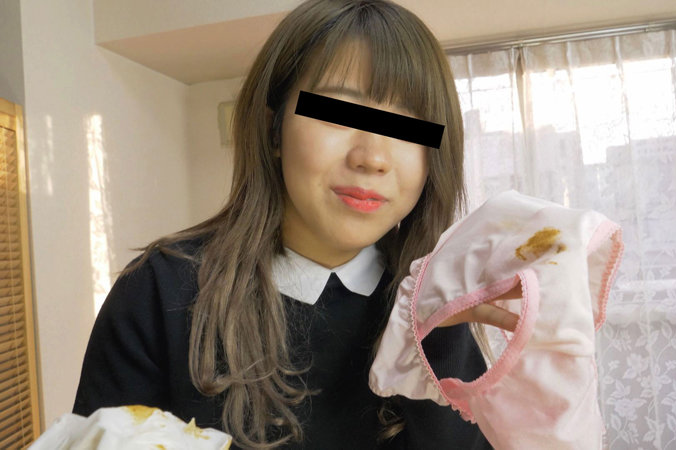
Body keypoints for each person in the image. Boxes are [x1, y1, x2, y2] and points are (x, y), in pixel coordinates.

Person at [72, 0, 517, 448]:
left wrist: (435, 334)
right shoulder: (159, 291)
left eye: (408, 127)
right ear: (274, 129)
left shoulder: (435, 303)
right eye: (338, 112)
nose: (373, 158)